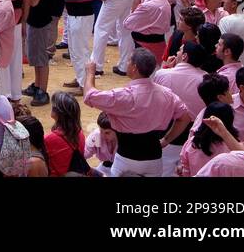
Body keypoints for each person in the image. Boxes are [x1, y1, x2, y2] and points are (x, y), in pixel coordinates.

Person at [82, 48, 193, 176]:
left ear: (134, 67)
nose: (126, 63)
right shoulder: (167, 94)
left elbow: (89, 96)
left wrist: (90, 72)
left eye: (128, 60)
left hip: (125, 157)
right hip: (154, 158)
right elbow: (185, 117)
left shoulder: (124, 95)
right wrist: (166, 140)